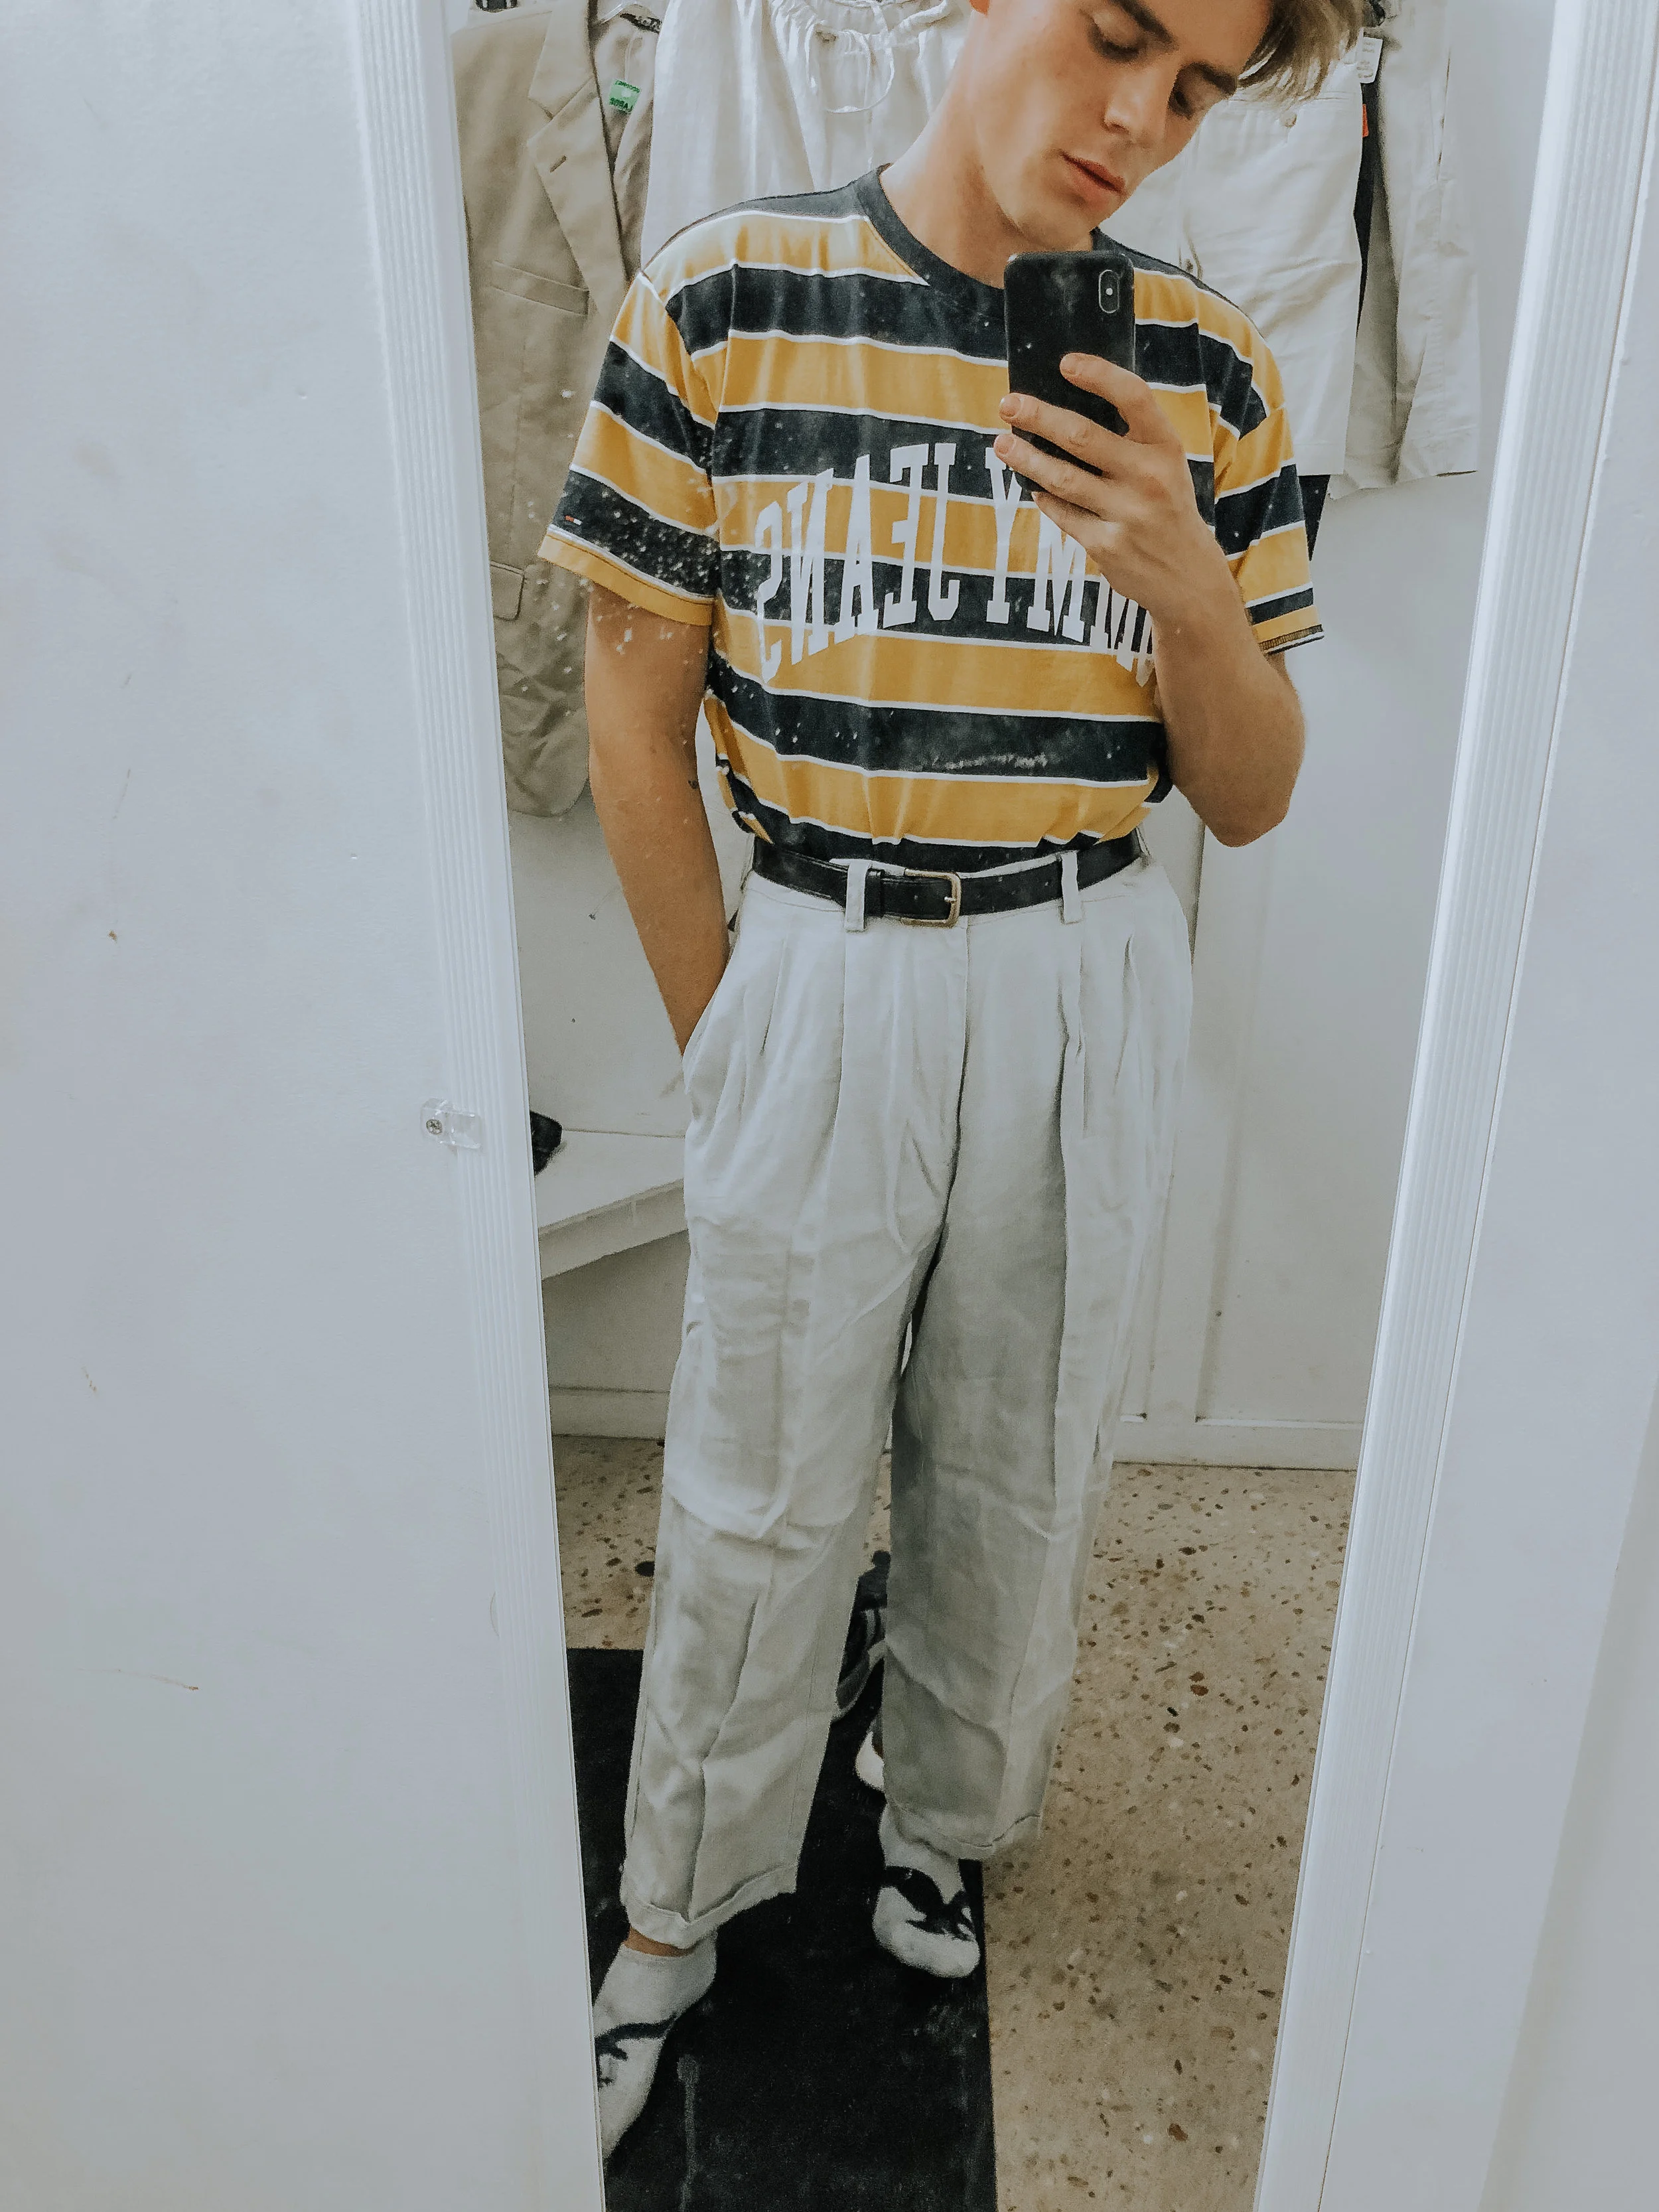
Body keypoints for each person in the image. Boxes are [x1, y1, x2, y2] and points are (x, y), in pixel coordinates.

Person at [543, 0, 1360, 2156]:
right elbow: (631, 706)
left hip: (1081, 953)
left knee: (1018, 1449)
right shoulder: (723, 295)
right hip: (814, 942)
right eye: (1113, 37)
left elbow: (1251, 794)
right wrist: (730, 1030)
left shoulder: (1203, 367)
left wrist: (1183, 581)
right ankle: (674, 1901)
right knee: (755, 1472)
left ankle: (938, 1812)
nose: (1137, 119)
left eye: (1194, 90)